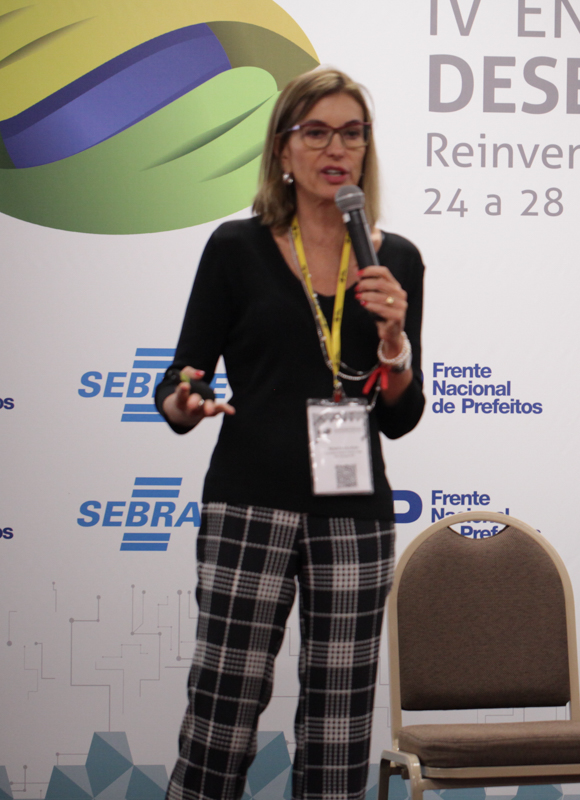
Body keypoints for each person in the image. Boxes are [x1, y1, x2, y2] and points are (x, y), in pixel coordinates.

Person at [155, 67, 425, 800]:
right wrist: (185, 400)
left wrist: (394, 342)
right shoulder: (236, 248)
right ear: (282, 148)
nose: (336, 149)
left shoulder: (394, 260)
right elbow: (182, 378)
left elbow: (400, 417)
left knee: (339, 734)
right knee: (221, 718)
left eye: (352, 133)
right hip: (250, 505)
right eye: (317, 132)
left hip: (355, 516)